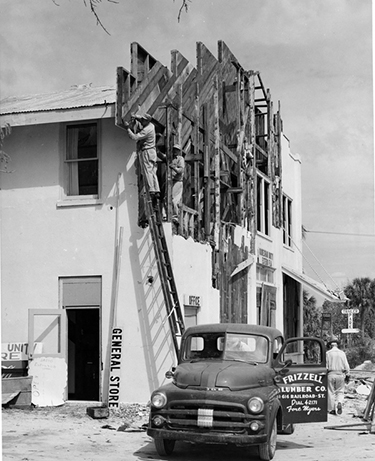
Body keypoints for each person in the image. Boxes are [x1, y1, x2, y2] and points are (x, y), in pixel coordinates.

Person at [124, 113, 160, 205]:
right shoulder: (151, 125)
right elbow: (142, 120)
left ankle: (151, 189)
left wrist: (128, 128)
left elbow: (135, 137)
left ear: (147, 121)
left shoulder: (147, 130)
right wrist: (136, 117)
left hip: (147, 151)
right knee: (152, 171)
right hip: (152, 151)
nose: (142, 121)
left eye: (144, 120)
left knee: (147, 170)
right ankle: (156, 189)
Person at [326, 336, 350, 415]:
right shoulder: (342, 353)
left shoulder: (328, 353)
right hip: (340, 374)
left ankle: (332, 409)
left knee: (330, 391)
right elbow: (346, 365)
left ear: (330, 345)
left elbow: (326, 366)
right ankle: (339, 402)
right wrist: (348, 375)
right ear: (337, 345)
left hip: (331, 374)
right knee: (340, 391)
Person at [169, 144, 185, 220]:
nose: (175, 151)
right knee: (167, 198)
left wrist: (174, 168)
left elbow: (181, 170)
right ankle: (168, 214)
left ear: (179, 151)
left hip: (177, 181)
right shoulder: (170, 158)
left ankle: (175, 216)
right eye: (174, 149)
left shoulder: (180, 159)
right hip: (170, 181)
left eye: (177, 150)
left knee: (174, 200)